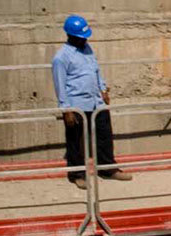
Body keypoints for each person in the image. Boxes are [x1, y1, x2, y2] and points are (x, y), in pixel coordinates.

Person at [52, 15, 132, 188]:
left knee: (104, 135)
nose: (85, 39)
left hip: (96, 102)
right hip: (76, 105)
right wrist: (66, 110)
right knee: (76, 142)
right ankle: (77, 174)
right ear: (70, 36)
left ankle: (107, 169)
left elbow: (96, 71)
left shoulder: (88, 48)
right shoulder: (61, 57)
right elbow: (60, 84)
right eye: (81, 37)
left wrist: (103, 89)